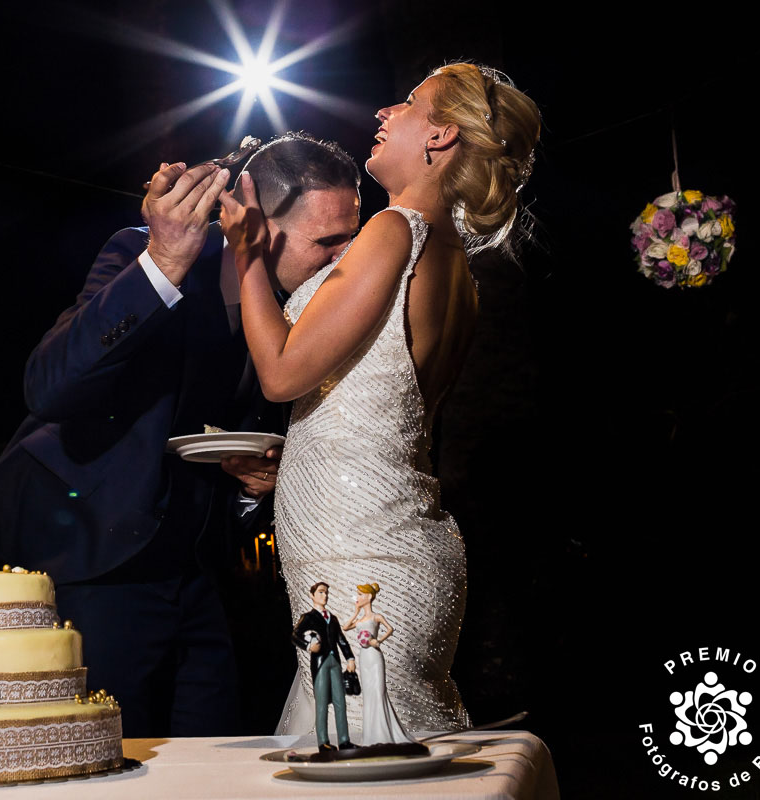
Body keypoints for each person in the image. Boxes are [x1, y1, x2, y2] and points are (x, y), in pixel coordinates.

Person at [0, 132, 361, 737]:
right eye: (328, 241)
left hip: (196, 575)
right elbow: (49, 388)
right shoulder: (141, 254)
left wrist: (252, 482)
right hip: (94, 564)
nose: (344, 258)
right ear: (259, 227)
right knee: (103, 759)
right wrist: (163, 265)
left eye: (350, 238)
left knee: (213, 749)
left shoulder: (291, 312)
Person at [220, 62, 541, 736]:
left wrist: (247, 250)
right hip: (383, 534)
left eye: (410, 103)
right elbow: (380, 409)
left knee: (364, 754)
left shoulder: (395, 232)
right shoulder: (455, 265)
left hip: (359, 550)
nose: (384, 113)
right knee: (384, 748)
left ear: (441, 135)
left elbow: (280, 375)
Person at [341, 583, 416, 746]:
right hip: (364, 657)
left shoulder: (376, 617)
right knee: (368, 694)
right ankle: (372, 735)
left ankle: (385, 733)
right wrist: (356, 612)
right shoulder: (360, 619)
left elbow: (390, 628)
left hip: (375, 656)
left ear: (368, 597)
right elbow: (345, 627)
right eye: (358, 594)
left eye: (360, 595)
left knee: (378, 691)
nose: (358, 598)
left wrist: (379, 640)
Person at [291, 582, 356, 752]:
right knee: (321, 702)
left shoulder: (332, 618)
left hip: (335, 662)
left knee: (340, 701)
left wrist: (349, 657)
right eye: (320, 592)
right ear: (312, 595)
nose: (324, 596)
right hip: (320, 663)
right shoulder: (308, 617)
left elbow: (341, 640)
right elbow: (295, 635)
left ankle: (344, 740)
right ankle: (323, 742)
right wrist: (307, 646)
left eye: (326, 592)